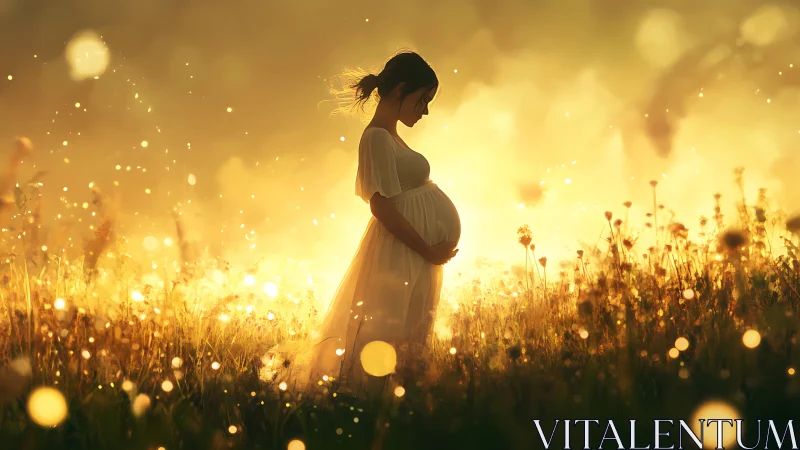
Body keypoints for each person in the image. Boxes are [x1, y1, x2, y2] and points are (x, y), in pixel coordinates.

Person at [305, 51, 461, 395]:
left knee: (409, 335)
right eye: (422, 100)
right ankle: (370, 407)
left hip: (413, 254)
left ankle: (396, 407)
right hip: (401, 253)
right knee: (388, 332)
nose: (425, 110)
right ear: (400, 90)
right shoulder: (376, 137)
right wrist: (426, 249)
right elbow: (382, 207)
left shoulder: (390, 137)